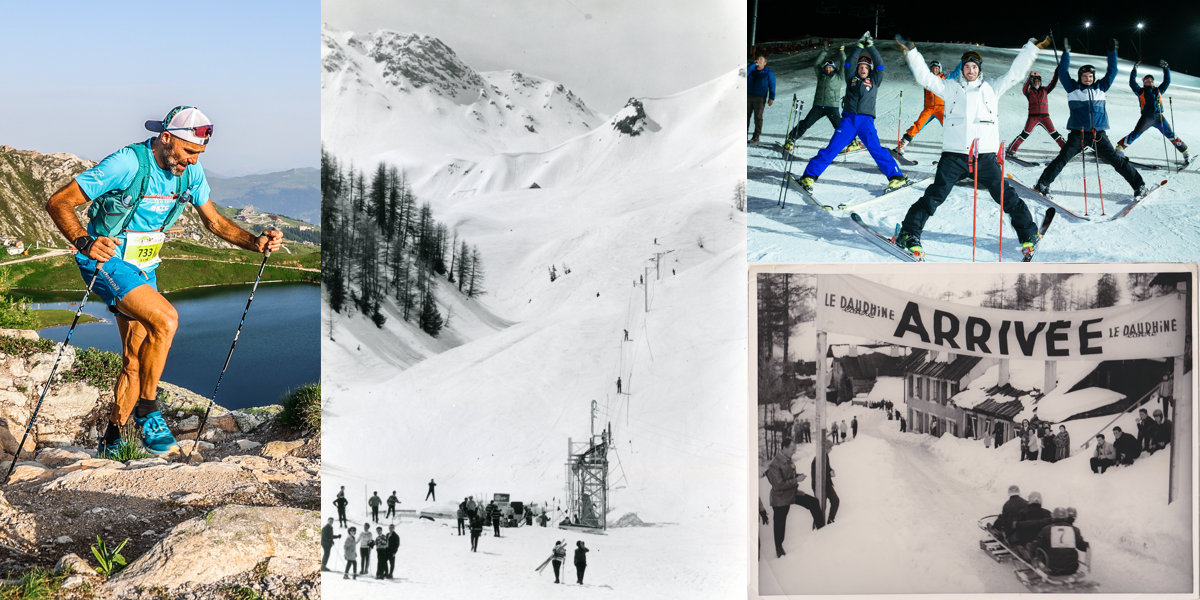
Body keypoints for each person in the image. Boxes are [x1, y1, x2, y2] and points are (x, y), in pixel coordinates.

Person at [45, 106, 284, 458]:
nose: (192, 161)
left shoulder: (191, 173)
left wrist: (255, 242)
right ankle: (148, 410)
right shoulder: (127, 163)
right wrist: (84, 240)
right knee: (166, 319)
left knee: (135, 358)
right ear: (166, 138)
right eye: (188, 152)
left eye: (199, 155)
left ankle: (113, 438)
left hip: (144, 267)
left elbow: (215, 223)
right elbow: (59, 201)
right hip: (107, 259)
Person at [892, 37, 1046, 258]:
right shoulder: (950, 87)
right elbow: (925, 78)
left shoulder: (992, 88)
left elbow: (1015, 74)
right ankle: (909, 233)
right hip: (954, 156)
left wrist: (1031, 48)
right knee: (935, 195)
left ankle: (1028, 233)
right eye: (967, 67)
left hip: (984, 157)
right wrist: (912, 52)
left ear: (979, 69)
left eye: (974, 67)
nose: (970, 70)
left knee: (1006, 196)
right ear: (962, 69)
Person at [797, 32, 909, 192]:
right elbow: (848, 63)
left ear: (869, 70)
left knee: (876, 149)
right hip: (849, 120)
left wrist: (870, 46)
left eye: (866, 67)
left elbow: (880, 64)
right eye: (861, 67)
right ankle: (809, 176)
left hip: (866, 121)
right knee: (832, 148)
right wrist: (858, 46)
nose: (863, 69)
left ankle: (896, 177)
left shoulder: (875, 80)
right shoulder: (852, 79)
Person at [1033, 38, 1146, 198]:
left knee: (1116, 160)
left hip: (1098, 135)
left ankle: (1139, 185)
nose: (1088, 79)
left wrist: (1112, 52)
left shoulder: (1101, 87)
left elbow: (1112, 72)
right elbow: (1063, 72)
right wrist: (1066, 52)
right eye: (1085, 76)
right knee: (1062, 158)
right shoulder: (1073, 88)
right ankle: (1043, 183)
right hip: (1078, 134)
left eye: (1090, 76)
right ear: (1080, 77)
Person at [1116, 61, 1189, 165]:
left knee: (1171, 134)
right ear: (1144, 83)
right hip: (1147, 118)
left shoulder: (1158, 90)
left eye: (1151, 80)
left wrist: (1166, 68)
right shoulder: (1141, 91)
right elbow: (1132, 83)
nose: (1149, 82)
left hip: (1159, 117)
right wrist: (1134, 70)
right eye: (1147, 80)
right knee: (1136, 133)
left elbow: (1167, 81)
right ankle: (1119, 148)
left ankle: (1185, 152)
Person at [765, 437, 824, 558]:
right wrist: (796, 479)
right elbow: (778, 485)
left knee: (813, 503)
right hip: (780, 498)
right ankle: (779, 549)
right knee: (780, 525)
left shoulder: (788, 459)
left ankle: (822, 532)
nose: (794, 451)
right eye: (792, 449)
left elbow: (788, 476)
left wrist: (797, 476)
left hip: (792, 493)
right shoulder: (774, 465)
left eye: (795, 449)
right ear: (784, 448)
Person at [784, 43, 847, 151]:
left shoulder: (839, 76)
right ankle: (791, 140)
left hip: (832, 106)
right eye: (826, 67)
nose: (828, 69)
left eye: (830, 67)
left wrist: (841, 52)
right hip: (818, 106)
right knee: (805, 123)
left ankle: (852, 142)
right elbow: (816, 63)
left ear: (833, 68)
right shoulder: (821, 75)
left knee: (840, 127)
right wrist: (824, 51)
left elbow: (844, 62)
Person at [896, 58, 961, 154]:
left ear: (940, 69)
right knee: (918, 125)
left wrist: (963, 61)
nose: (935, 70)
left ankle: (958, 148)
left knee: (949, 126)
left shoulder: (945, 79)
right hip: (929, 109)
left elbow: (956, 73)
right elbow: (916, 73)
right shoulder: (927, 80)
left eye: (937, 68)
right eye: (933, 68)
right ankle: (902, 145)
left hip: (941, 108)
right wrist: (910, 63)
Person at [1007, 70, 1066, 157]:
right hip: (1033, 117)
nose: (1037, 83)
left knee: (1054, 133)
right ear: (1032, 82)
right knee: (1025, 134)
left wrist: (1057, 72)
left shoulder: (1045, 90)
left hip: (1045, 117)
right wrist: (1030, 77)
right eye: (1035, 81)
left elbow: (1053, 83)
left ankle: (1066, 149)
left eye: (1038, 81)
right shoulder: (1029, 92)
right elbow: (1024, 88)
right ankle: (1011, 150)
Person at [1031, 507, 1089, 575]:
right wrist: (1086, 544)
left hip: (1052, 567)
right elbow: (1083, 547)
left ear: (1053, 517)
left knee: (1038, 547)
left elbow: (1036, 545)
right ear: (1066, 517)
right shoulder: (1075, 530)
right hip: (1072, 567)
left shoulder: (1046, 529)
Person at [1010, 491, 1051, 557]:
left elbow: (1014, 526)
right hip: (1041, 542)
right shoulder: (1047, 513)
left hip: (1025, 540)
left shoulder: (1022, 512)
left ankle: (1022, 548)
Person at [747, 55, 776, 144]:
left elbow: (772, 84)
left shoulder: (768, 72)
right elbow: (743, 74)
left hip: (760, 97)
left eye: (761, 60)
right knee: (745, 116)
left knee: (758, 117)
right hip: (748, 96)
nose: (759, 61)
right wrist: (752, 65)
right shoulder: (751, 69)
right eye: (758, 59)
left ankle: (756, 136)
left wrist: (771, 97)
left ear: (765, 63)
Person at [811, 439, 840, 524]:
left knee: (835, 500)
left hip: (827, 484)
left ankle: (830, 520)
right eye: (830, 448)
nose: (831, 450)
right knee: (821, 507)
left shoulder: (826, 456)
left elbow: (827, 468)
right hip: (819, 485)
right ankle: (817, 526)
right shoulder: (817, 459)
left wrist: (831, 471)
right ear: (825, 448)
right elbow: (818, 474)